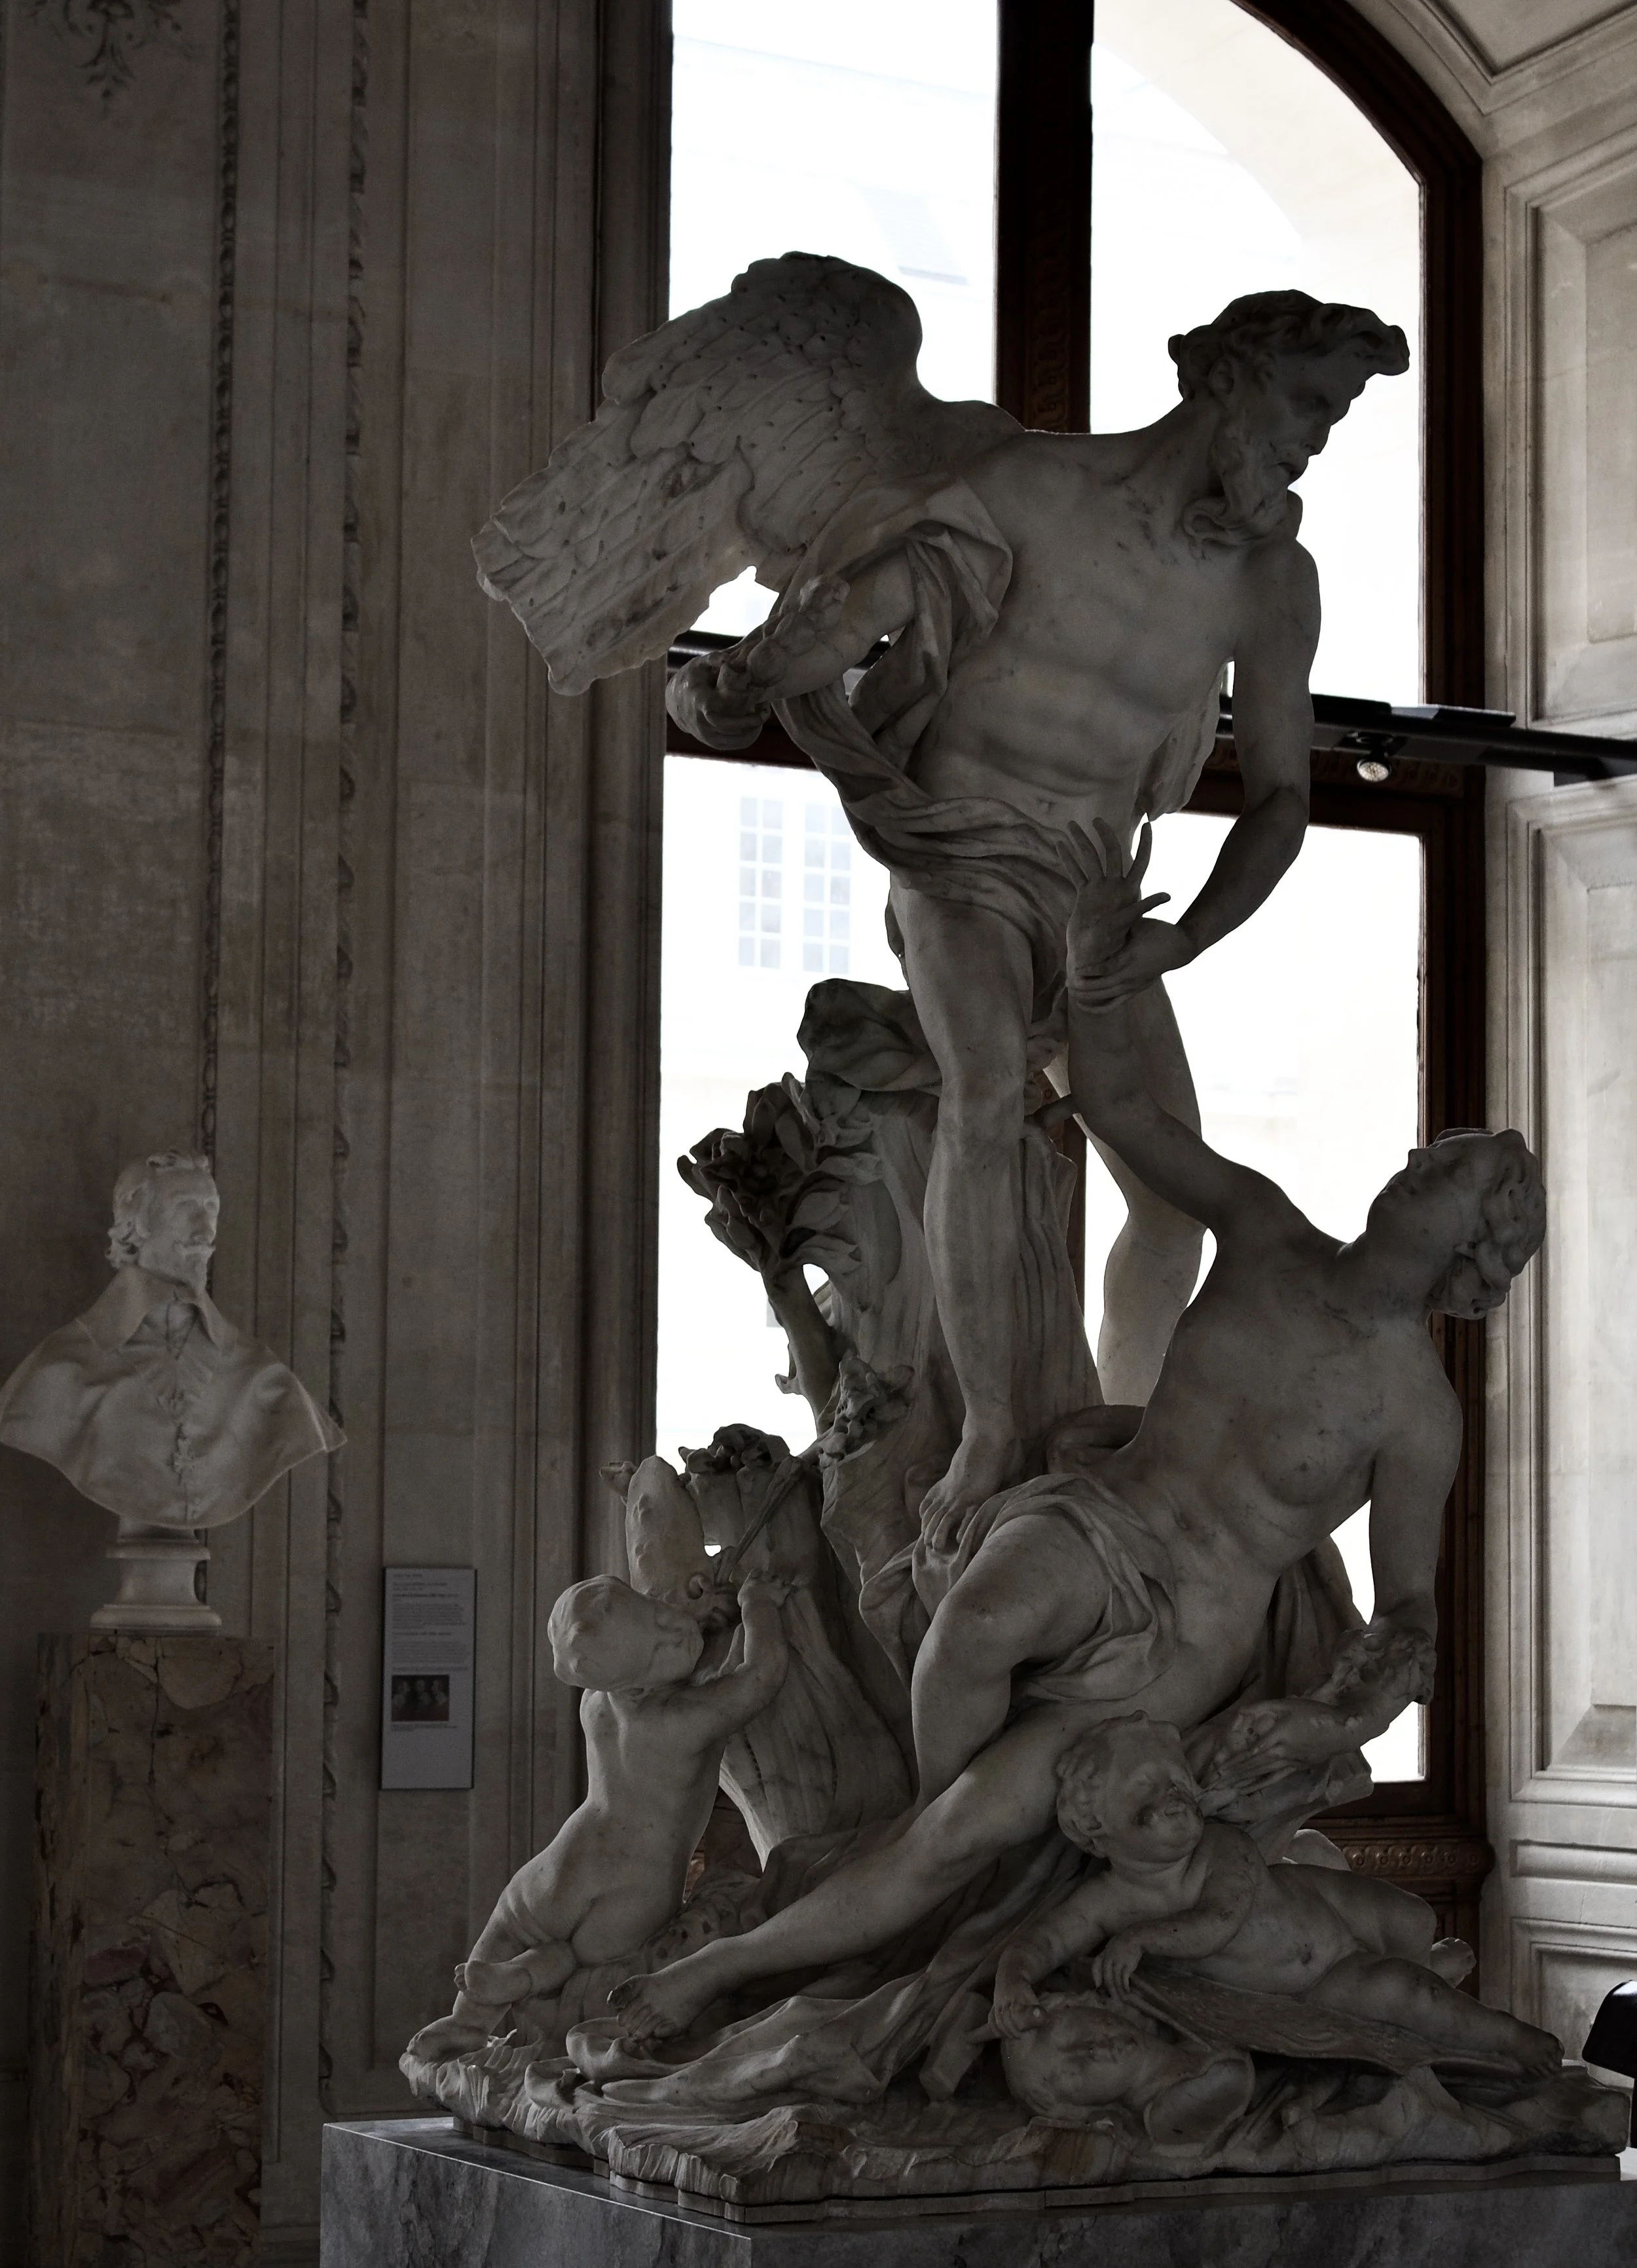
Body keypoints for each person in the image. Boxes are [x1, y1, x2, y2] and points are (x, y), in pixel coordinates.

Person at [608, 830, 1545, 2049]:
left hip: (1193, 1631)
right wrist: (1098, 979)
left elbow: (1407, 1614)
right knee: (972, 1636)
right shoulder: (1269, 1232)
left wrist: (1331, 1717)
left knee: (962, 1826)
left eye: (1449, 1178)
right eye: (1430, 1154)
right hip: (1106, 1519)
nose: (1416, 1167)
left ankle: (751, 1961)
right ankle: (954, 1869)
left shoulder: (1417, 1413)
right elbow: (1128, 1120)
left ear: (1475, 1252)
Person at [672, 288, 1409, 1544]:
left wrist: (1185, 935)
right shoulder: (1029, 486)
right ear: (1225, 378)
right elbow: (862, 613)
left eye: (1332, 420)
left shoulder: (1272, 582)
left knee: (1175, 1195)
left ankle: (1127, 1444)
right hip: (956, 852)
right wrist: (746, 681)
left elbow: (1282, 801)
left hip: (1099, 894)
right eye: (1306, 407)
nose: (1311, 444)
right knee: (986, 1096)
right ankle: (996, 1432)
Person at [988, 1715, 1556, 2074]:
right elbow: (1044, 1940)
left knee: (1412, 1918)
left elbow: (1221, 1919)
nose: (1173, 1794)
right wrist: (1012, 1980)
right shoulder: (1108, 1901)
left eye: (1177, 1780)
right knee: (1411, 1998)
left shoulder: (1220, 1847)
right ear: (1096, 1829)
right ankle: (1511, 2040)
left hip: (1326, 1904)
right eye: (1145, 1789)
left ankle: (1427, 1965)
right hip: (1318, 1979)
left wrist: (1141, 1939)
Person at [407, 1568, 792, 2060]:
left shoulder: (598, 1702)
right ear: (633, 1682)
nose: (676, 1633)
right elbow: (761, 1677)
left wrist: (691, 1616)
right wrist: (759, 1603)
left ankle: (472, 2016)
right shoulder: (682, 1722)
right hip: (640, 1883)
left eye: (660, 1616)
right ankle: (522, 1977)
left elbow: (657, 1656)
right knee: (583, 1957)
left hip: (571, 1855)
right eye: (660, 1646)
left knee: (513, 1923)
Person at [0, 1149, 340, 1525]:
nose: (206, 1229)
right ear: (135, 1224)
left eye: (211, 1207)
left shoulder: (264, 1376)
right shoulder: (58, 1370)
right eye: (185, 1207)